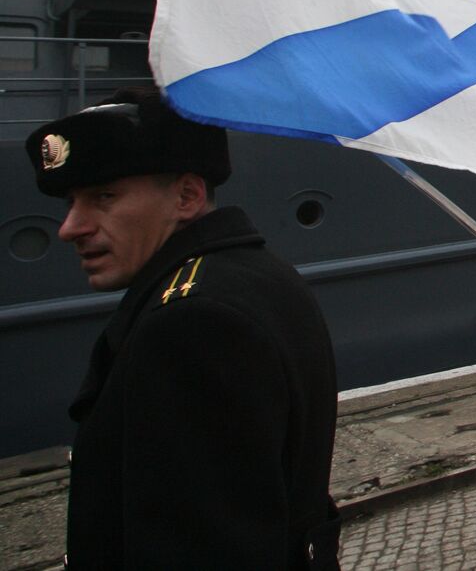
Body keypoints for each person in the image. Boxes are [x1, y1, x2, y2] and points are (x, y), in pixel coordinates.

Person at [25, 87, 341, 570]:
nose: (70, 227)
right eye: (72, 201)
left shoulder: (191, 323)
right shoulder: (256, 275)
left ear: (188, 196)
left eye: (103, 197)